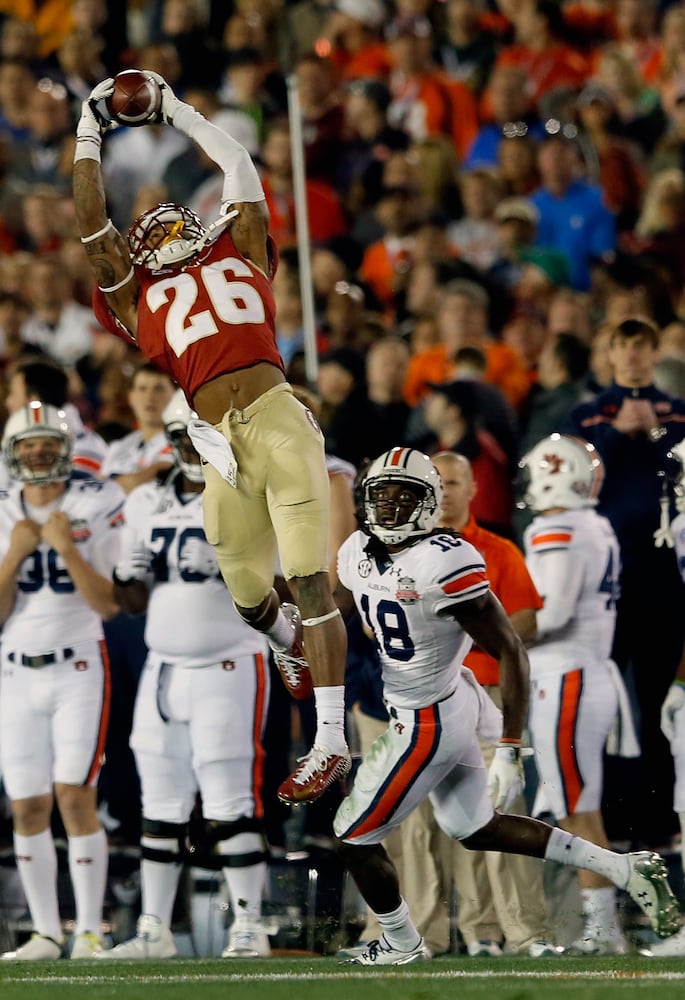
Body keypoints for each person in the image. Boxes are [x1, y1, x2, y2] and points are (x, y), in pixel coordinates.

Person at [72, 74, 350, 804]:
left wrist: (176, 111)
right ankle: (286, 641)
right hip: (217, 441)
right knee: (249, 595)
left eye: (173, 218)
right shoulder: (134, 297)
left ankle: (329, 740)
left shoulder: (239, 249)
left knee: (310, 577)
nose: (165, 226)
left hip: (278, 417)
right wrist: (89, 131)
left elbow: (239, 166)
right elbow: (91, 225)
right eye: (150, 227)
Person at [330, 445, 680, 965]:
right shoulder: (355, 550)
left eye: (406, 497)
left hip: (431, 717)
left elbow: (512, 649)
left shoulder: (445, 559)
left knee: (353, 836)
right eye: (380, 496)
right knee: (476, 828)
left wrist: (511, 746)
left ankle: (401, 942)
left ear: (429, 504)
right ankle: (626, 869)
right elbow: (342, 612)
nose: (390, 508)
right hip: (436, 701)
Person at [97, 389, 272, 960]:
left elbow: (281, 585)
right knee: (161, 800)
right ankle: (154, 928)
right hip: (162, 669)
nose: (191, 447)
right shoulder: (147, 500)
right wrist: (128, 573)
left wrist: (233, 569)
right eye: (182, 437)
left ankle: (250, 925)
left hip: (229, 662)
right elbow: (132, 602)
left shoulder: (248, 491)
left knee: (228, 796)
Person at [0, 402, 124, 960]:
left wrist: (66, 548)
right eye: (28, 444)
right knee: (26, 805)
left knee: (75, 797)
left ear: (65, 447)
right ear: (14, 452)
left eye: (46, 442)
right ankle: (47, 931)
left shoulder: (97, 501)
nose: (37, 452)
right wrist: (14, 557)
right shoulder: (3, 510)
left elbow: (109, 604)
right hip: (14, 669)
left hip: (78, 663)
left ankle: (91, 930)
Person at [566, 317, 685, 850]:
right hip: (604, 584)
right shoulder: (587, 414)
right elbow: (573, 484)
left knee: (661, 702)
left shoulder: (679, 413)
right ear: (610, 353)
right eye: (624, 345)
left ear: (655, 350)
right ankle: (611, 825)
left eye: (643, 345)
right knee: (603, 703)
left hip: (664, 580)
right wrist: (616, 436)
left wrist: (656, 435)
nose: (634, 355)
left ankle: (659, 824)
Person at [520, 434, 641, 955]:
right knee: (575, 804)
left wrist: (489, 629)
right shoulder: (590, 524)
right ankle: (598, 923)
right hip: (580, 673)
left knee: (577, 807)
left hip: (566, 674)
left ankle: (602, 926)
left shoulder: (559, 526)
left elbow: (553, 614)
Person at [432, 451, 554, 958]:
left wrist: (468, 634)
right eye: (435, 483)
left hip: (486, 693)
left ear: (472, 489)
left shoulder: (497, 549)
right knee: (445, 821)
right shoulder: (398, 552)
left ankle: (527, 932)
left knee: (501, 808)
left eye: (454, 482)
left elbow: (525, 623)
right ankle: (479, 931)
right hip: (431, 696)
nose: (444, 492)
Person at [0, 357, 108, 485]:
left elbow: (69, 497)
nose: (8, 402)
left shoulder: (84, 446)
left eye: (13, 394)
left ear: (34, 401)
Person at [98, 361, 175, 494]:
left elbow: (105, 491)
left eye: (159, 389)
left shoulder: (182, 443)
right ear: (131, 397)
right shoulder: (119, 447)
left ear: (175, 395)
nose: (149, 397)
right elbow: (98, 491)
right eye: (142, 389)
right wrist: (147, 474)